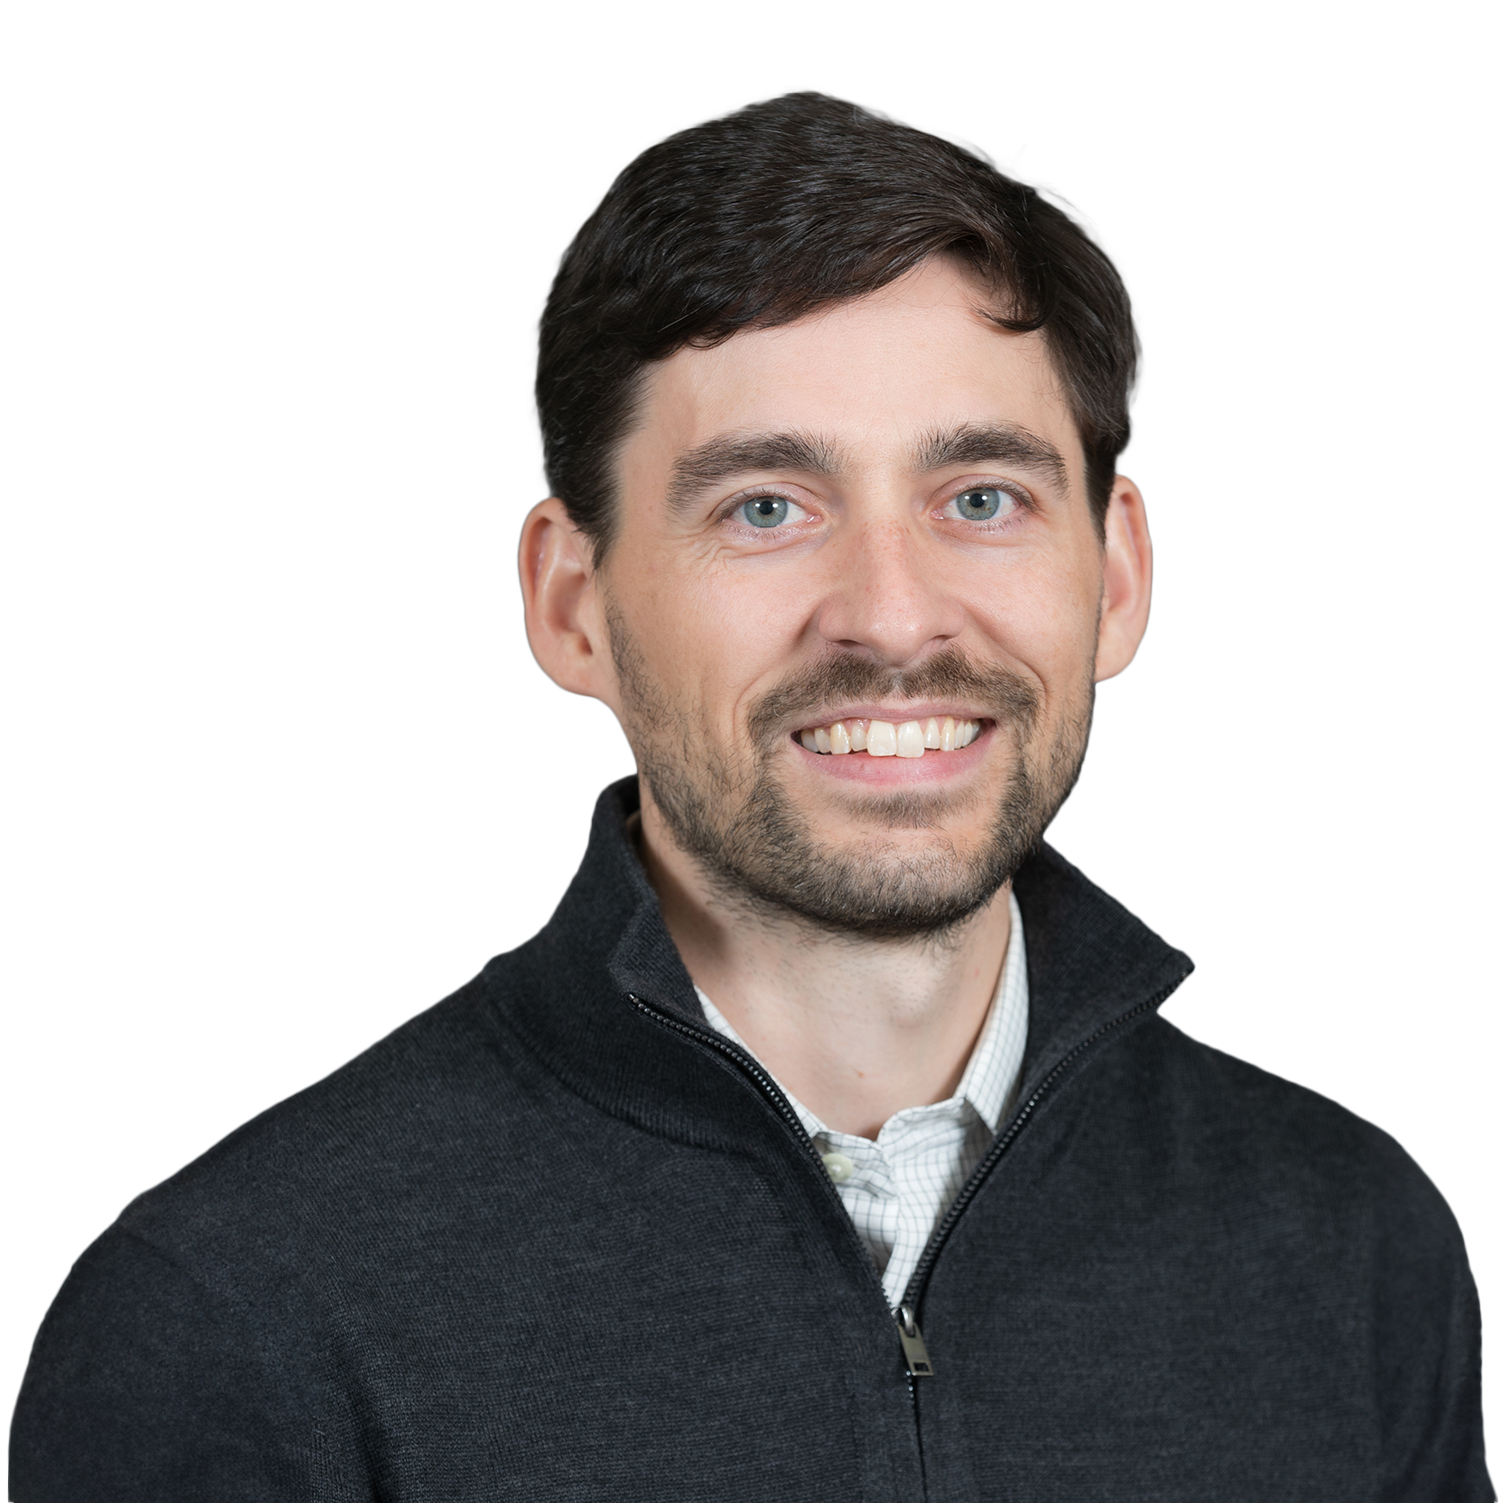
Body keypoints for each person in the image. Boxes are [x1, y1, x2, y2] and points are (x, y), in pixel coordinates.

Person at [11, 88, 1492, 1501]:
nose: (892, 616)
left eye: (981, 498)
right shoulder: (237, 1319)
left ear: (1114, 577)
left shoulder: (1348, 1249)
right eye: (766, 507)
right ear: (573, 606)